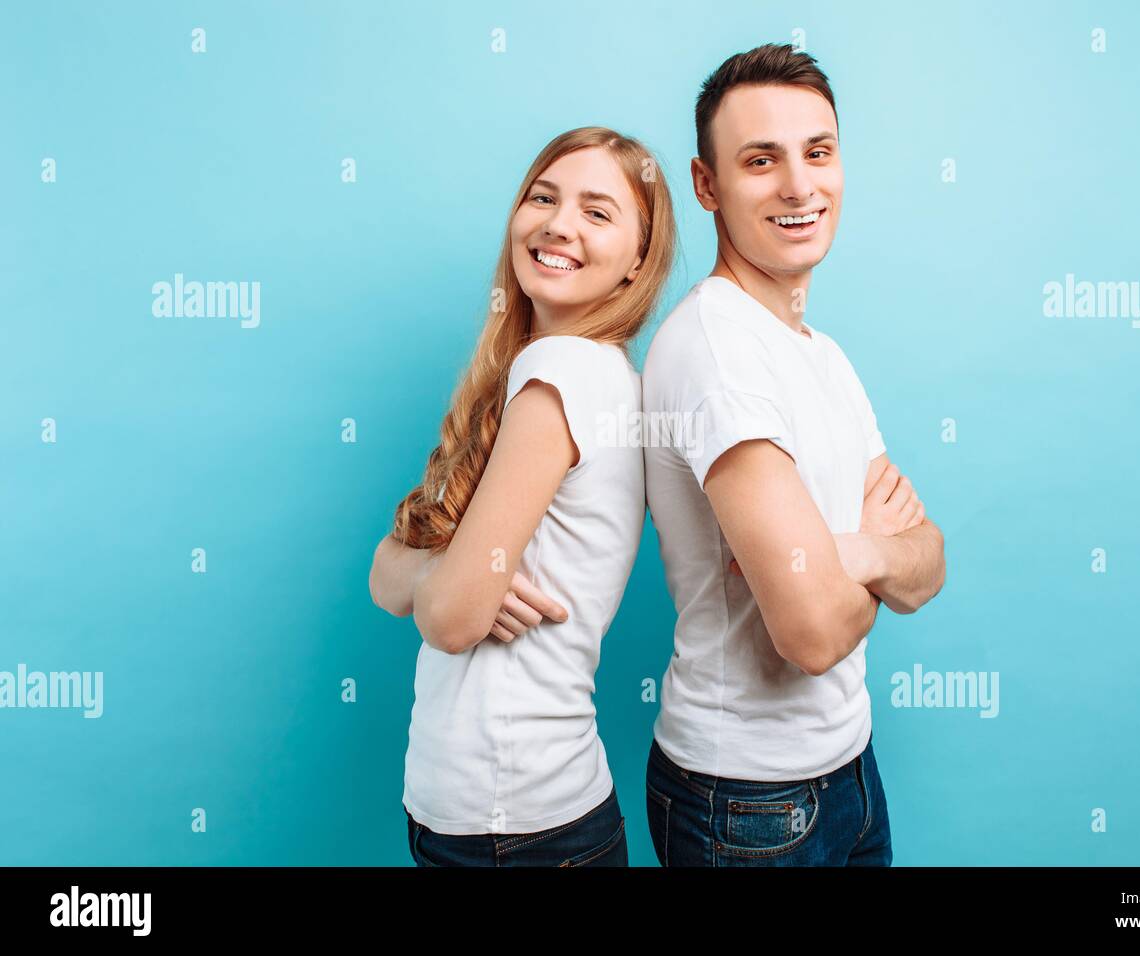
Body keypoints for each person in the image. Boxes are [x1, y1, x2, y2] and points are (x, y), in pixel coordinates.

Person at [641, 43, 947, 866]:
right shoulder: (718, 353)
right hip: (747, 806)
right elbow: (809, 633)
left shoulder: (821, 355)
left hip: (851, 768)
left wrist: (849, 551)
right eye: (760, 160)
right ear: (707, 185)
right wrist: (878, 557)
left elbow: (930, 561)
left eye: (818, 152)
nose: (800, 186)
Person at [369, 126, 676, 866]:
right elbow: (389, 573)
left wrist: (449, 582)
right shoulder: (560, 375)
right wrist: (444, 574)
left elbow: (447, 618)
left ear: (639, 260)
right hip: (506, 819)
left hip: (514, 829)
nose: (558, 223)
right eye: (543, 197)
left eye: (598, 212)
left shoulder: (560, 372)